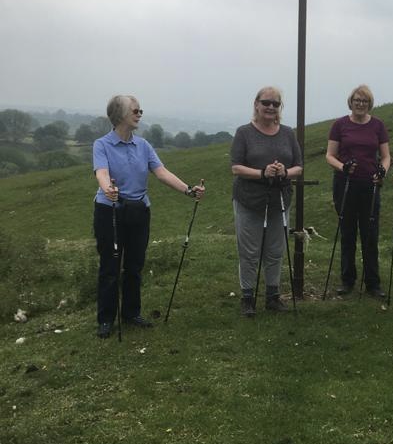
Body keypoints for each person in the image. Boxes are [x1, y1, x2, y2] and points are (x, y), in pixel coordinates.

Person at [92, 95, 205, 339]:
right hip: (109, 210)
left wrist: (188, 189)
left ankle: (131, 313)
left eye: (140, 110)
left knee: (134, 265)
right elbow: (101, 172)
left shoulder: (143, 145)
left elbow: (162, 172)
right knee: (110, 267)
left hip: (139, 211)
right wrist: (107, 188)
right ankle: (106, 319)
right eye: (135, 110)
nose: (140, 113)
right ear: (120, 114)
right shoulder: (102, 144)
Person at [231, 87, 303, 316]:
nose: (270, 107)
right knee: (249, 251)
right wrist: (263, 173)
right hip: (249, 200)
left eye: (275, 103)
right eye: (266, 103)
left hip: (279, 200)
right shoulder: (244, 133)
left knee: (275, 249)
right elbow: (236, 167)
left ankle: (273, 296)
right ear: (256, 104)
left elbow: (299, 167)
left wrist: (284, 171)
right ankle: (247, 298)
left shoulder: (288, 133)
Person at [326, 85, 391, 298]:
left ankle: (373, 283)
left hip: (370, 185)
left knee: (370, 233)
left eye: (364, 100)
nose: (360, 104)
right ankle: (347, 280)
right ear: (351, 102)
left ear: (369, 103)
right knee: (347, 232)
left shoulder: (378, 125)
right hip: (345, 184)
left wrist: (383, 172)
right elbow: (330, 155)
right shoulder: (340, 125)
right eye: (357, 100)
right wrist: (342, 167)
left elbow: (386, 156)